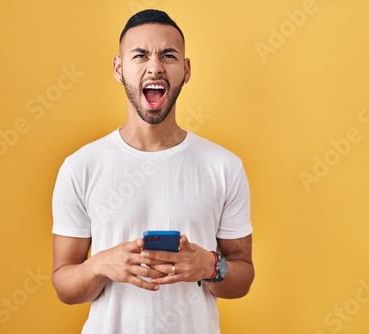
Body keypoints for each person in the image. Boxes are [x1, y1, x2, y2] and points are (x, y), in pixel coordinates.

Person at [51, 9, 255, 334]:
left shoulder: (224, 167)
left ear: (186, 70)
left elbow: (242, 276)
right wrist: (100, 266)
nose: (155, 66)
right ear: (119, 69)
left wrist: (209, 266)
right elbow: (64, 285)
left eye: (168, 55)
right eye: (140, 55)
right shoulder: (80, 167)